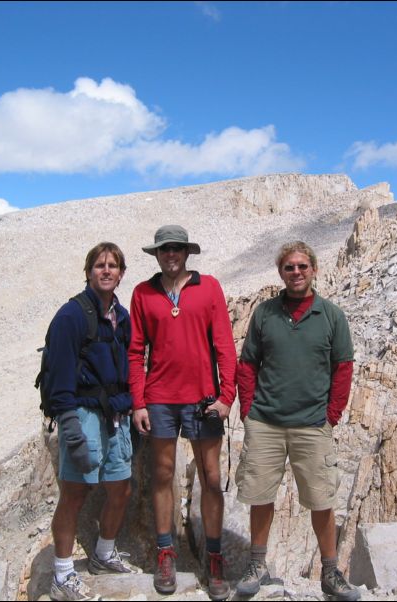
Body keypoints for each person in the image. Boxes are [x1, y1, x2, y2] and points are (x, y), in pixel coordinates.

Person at [234, 241, 360, 602]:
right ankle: (257, 565)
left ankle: (331, 572)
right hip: (266, 423)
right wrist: (249, 412)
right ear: (281, 272)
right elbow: (247, 365)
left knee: (322, 499)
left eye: (303, 266)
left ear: (315, 269)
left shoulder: (332, 315)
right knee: (260, 495)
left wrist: (331, 416)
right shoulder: (265, 314)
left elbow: (343, 368)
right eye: (289, 267)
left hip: (312, 425)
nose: (297, 272)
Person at [128, 225, 237, 601]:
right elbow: (135, 349)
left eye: (176, 248)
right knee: (161, 473)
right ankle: (166, 552)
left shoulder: (209, 288)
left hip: (203, 398)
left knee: (210, 476)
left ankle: (214, 556)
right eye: (164, 249)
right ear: (156, 254)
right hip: (159, 398)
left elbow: (224, 343)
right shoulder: (143, 292)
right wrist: (138, 401)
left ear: (186, 252)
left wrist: (227, 396)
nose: (170, 254)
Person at [45, 242, 138, 601]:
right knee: (74, 492)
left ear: (121, 273)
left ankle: (103, 554)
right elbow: (59, 374)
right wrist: (69, 425)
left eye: (113, 265)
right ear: (88, 272)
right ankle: (62, 576)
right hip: (83, 414)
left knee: (121, 488)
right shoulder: (71, 316)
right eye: (99, 265)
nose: (106, 270)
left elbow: (130, 364)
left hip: (116, 415)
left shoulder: (122, 316)